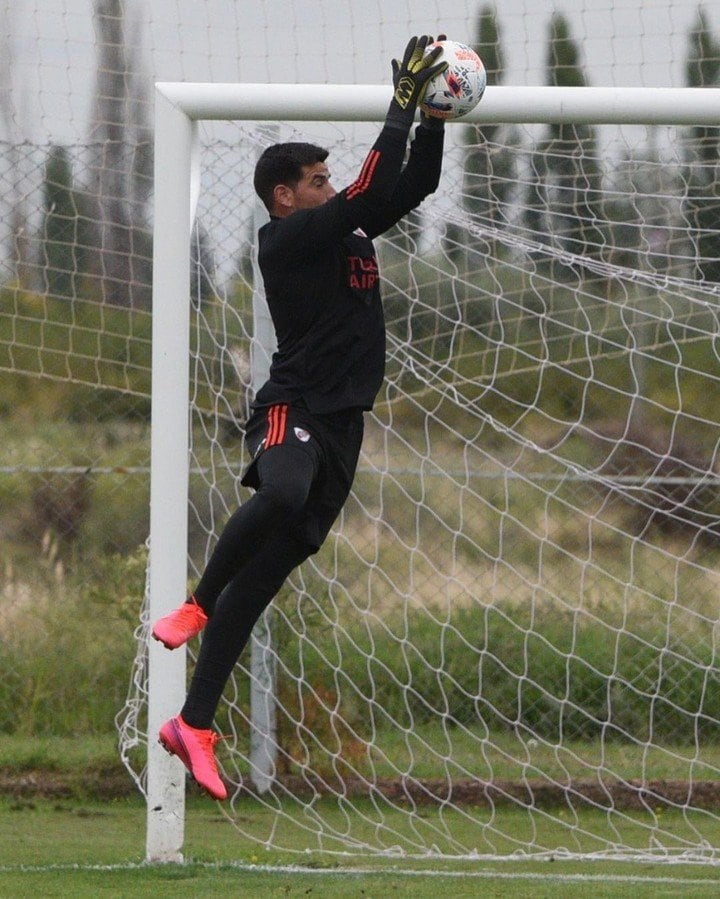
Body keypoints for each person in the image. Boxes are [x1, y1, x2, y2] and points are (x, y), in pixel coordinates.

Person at [152, 35, 449, 800]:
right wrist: (399, 106)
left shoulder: (344, 230)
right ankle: (193, 602)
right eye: (317, 179)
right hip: (294, 407)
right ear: (285, 194)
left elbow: (413, 181)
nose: (329, 187)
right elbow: (373, 179)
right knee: (278, 493)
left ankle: (194, 723)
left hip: (345, 425)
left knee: (264, 581)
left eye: (327, 179)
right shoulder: (285, 238)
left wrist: (438, 114)